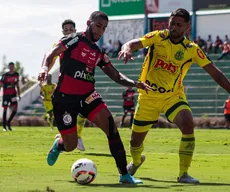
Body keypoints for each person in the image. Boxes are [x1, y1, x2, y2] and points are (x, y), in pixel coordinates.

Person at [38, 11, 152, 184]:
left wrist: (135, 83)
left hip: (88, 96)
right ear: (89, 23)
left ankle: (124, 175)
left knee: (111, 128)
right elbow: (52, 53)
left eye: (104, 28)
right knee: (71, 145)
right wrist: (44, 68)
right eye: (98, 26)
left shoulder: (98, 52)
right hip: (65, 98)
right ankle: (59, 145)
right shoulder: (74, 39)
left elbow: (115, 75)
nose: (100, 31)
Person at [118, 8, 230, 183]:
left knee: (187, 122)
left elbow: (215, 74)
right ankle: (137, 160)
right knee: (134, 142)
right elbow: (133, 44)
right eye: (171, 24)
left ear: (187, 27)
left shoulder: (192, 49)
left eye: (178, 25)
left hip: (172, 96)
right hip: (147, 96)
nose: (173, 28)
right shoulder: (158, 36)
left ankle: (183, 174)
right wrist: (126, 49)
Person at [49, 19, 86, 151]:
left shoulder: (81, 42)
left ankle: (77, 135)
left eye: (71, 30)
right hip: (66, 85)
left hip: (82, 82)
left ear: (75, 31)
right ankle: (68, 136)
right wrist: (45, 69)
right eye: (66, 30)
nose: (69, 32)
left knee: (83, 113)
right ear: (62, 32)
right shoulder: (59, 45)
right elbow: (51, 57)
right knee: (67, 113)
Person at [0, 62, 20, 131]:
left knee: (15, 109)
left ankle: (8, 122)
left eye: (13, 66)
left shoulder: (16, 74)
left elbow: (17, 85)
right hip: (6, 95)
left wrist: (19, 94)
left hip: (13, 94)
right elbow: (0, 85)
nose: (12, 67)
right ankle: (4, 126)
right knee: (5, 109)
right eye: (10, 66)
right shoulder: (4, 75)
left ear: (14, 67)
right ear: (8, 67)